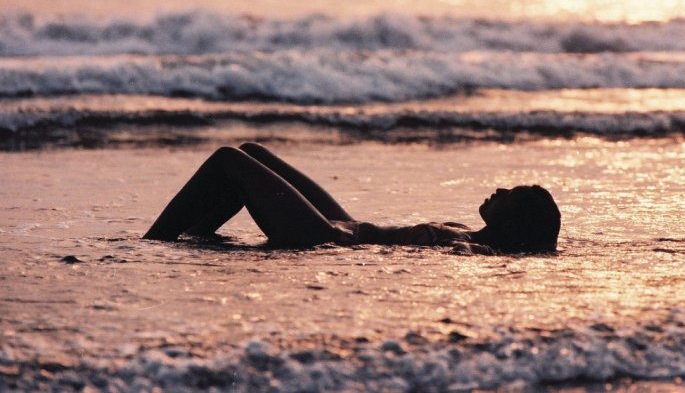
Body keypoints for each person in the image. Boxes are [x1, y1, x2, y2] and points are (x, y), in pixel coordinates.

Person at [143, 142, 560, 254]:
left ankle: (154, 242)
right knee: (252, 151)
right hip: (347, 225)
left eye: (512, 195)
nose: (501, 190)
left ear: (514, 223)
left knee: (228, 160)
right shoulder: (467, 231)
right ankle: (194, 238)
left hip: (326, 239)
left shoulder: (468, 245)